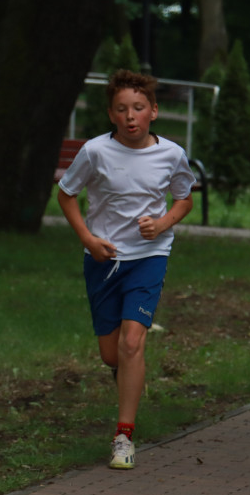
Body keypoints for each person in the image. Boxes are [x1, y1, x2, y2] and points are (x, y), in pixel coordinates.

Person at [57, 69, 195, 470]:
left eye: (138, 108)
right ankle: (129, 374)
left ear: (154, 111)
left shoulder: (171, 154)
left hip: (149, 257)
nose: (130, 116)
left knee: (133, 343)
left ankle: (123, 436)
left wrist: (163, 223)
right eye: (122, 109)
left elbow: (184, 198)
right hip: (104, 259)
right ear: (111, 114)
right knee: (111, 353)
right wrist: (87, 239)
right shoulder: (95, 152)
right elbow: (66, 194)